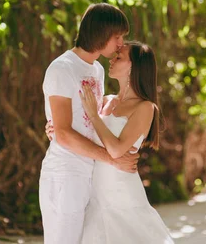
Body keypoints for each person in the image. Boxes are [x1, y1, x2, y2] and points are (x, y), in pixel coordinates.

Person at [46, 41, 174, 243]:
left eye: (119, 57)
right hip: (95, 190)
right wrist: (56, 130)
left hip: (121, 191)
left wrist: (94, 116)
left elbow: (116, 149)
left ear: (134, 67)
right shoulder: (105, 101)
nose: (112, 60)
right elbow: (83, 132)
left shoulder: (145, 107)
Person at [39, 3, 140, 244]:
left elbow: (89, 120)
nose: (120, 44)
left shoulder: (97, 70)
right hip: (65, 173)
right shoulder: (62, 68)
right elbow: (63, 134)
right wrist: (111, 158)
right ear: (101, 33)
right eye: (117, 36)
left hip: (91, 174)